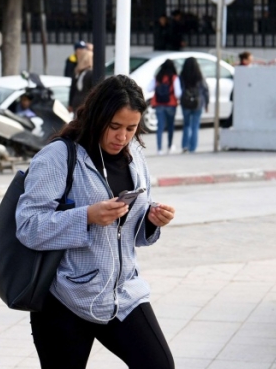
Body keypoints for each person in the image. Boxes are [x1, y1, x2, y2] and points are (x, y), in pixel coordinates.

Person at [16, 75, 176, 369]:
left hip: (123, 294)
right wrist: (87, 216)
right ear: (96, 117)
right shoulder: (58, 156)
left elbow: (130, 230)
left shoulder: (135, 156)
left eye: (131, 128)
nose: (122, 136)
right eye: (114, 126)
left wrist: (152, 220)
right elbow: (28, 226)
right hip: (64, 297)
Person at [179, 57, 210, 153]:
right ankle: (193, 148)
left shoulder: (182, 76)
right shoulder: (199, 76)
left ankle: (185, 145)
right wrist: (206, 104)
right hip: (198, 103)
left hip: (185, 102)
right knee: (195, 125)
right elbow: (205, 90)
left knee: (186, 124)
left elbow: (179, 89)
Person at [151, 59, 182, 155]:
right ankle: (169, 146)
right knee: (170, 126)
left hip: (159, 104)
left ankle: (159, 149)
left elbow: (149, 88)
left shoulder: (158, 77)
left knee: (160, 127)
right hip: (171, 104)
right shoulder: (174, 78)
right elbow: (178, 93)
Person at [68, 49, 93, 115]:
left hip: (76, 102)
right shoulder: (91, 74)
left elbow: (72, 90)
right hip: (85, 103)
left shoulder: (77, 73)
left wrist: (70, 104)